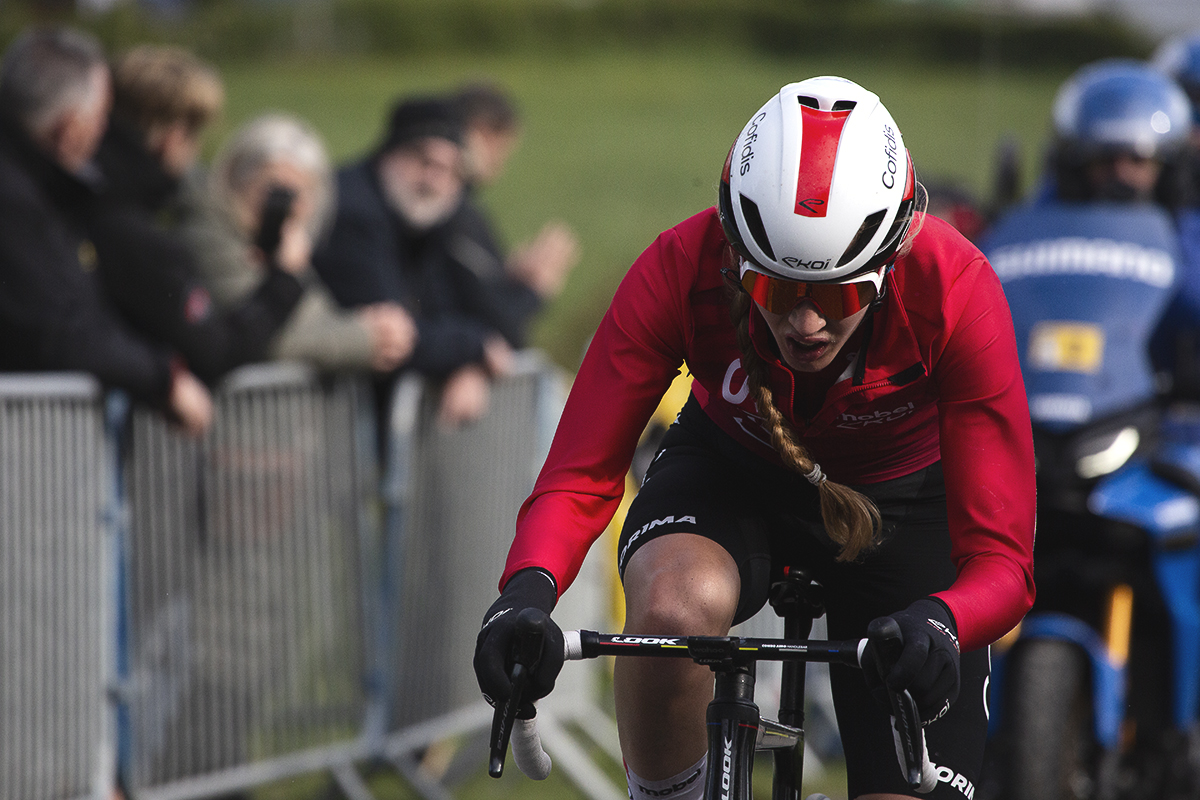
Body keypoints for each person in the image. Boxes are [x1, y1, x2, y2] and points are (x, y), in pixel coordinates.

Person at [474, 77, 1036, 800]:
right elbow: (580, 473)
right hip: (732, 473)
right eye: (776, 289)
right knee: (674, 609)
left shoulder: (957, 289)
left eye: (838, 294)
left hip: (906, 511)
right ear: (736, 257)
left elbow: (1003, 561)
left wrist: (945, 619)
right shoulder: (681, 266)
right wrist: (525, 591)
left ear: (890, 261)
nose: (806, 323)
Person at [0, 25, 211, 435]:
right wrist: (163, 378)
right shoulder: (17, 200)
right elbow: (59, 327)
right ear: (69, 127)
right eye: (100, 118)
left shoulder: (44, 188)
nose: (104, 133)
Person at [88, 44, 306, 386]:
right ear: (174, 137)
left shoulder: (77, 193)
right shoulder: (136, 233)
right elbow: (217, 351)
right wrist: (286, 278)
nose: (197, 151)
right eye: (196, 135)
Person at [312, 95, 515, 427]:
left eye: (449, 170)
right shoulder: (352, 213)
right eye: (423, 161)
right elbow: (394, 336)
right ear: (389, 153)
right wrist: (475, 346)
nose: (433, 180)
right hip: (323, 421)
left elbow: (447, 308)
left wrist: (468, 363)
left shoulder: (422, 218)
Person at [183, 112, 415, 378]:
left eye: (298, 195)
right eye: (275, 191)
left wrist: (367, 325)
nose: (286, 208)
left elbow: (310, 321)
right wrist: (363, 339)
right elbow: (259, 339)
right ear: (237, 181)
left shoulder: (280, 245)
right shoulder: (208, 234)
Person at [447, 82, 580, 346]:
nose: (502, 162)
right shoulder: (452, 214)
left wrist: (509, 277)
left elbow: (476, 291)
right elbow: (500, 325)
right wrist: (536, 288)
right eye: (502, 147)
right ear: (480, 133)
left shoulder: (457, 210)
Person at [1040, 59, 1193, 209]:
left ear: (1168, 172)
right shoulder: (1043, 219)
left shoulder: (1190, 224)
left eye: (1137, 160)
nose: (1121, 175)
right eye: (1105, 160)